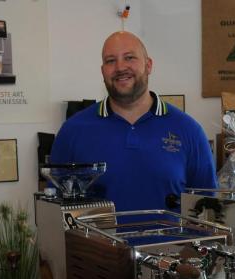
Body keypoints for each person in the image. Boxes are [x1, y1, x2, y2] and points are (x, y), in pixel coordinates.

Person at [49, 31, 217, 211]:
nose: (120, 67)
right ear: (102, 71)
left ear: (149, 65)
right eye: (110, 60)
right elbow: (55, 210)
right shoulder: (72, 131)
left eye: (129, 57)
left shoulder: (189, 131)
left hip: (171, 240)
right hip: (95, 240)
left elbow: (207, 210)